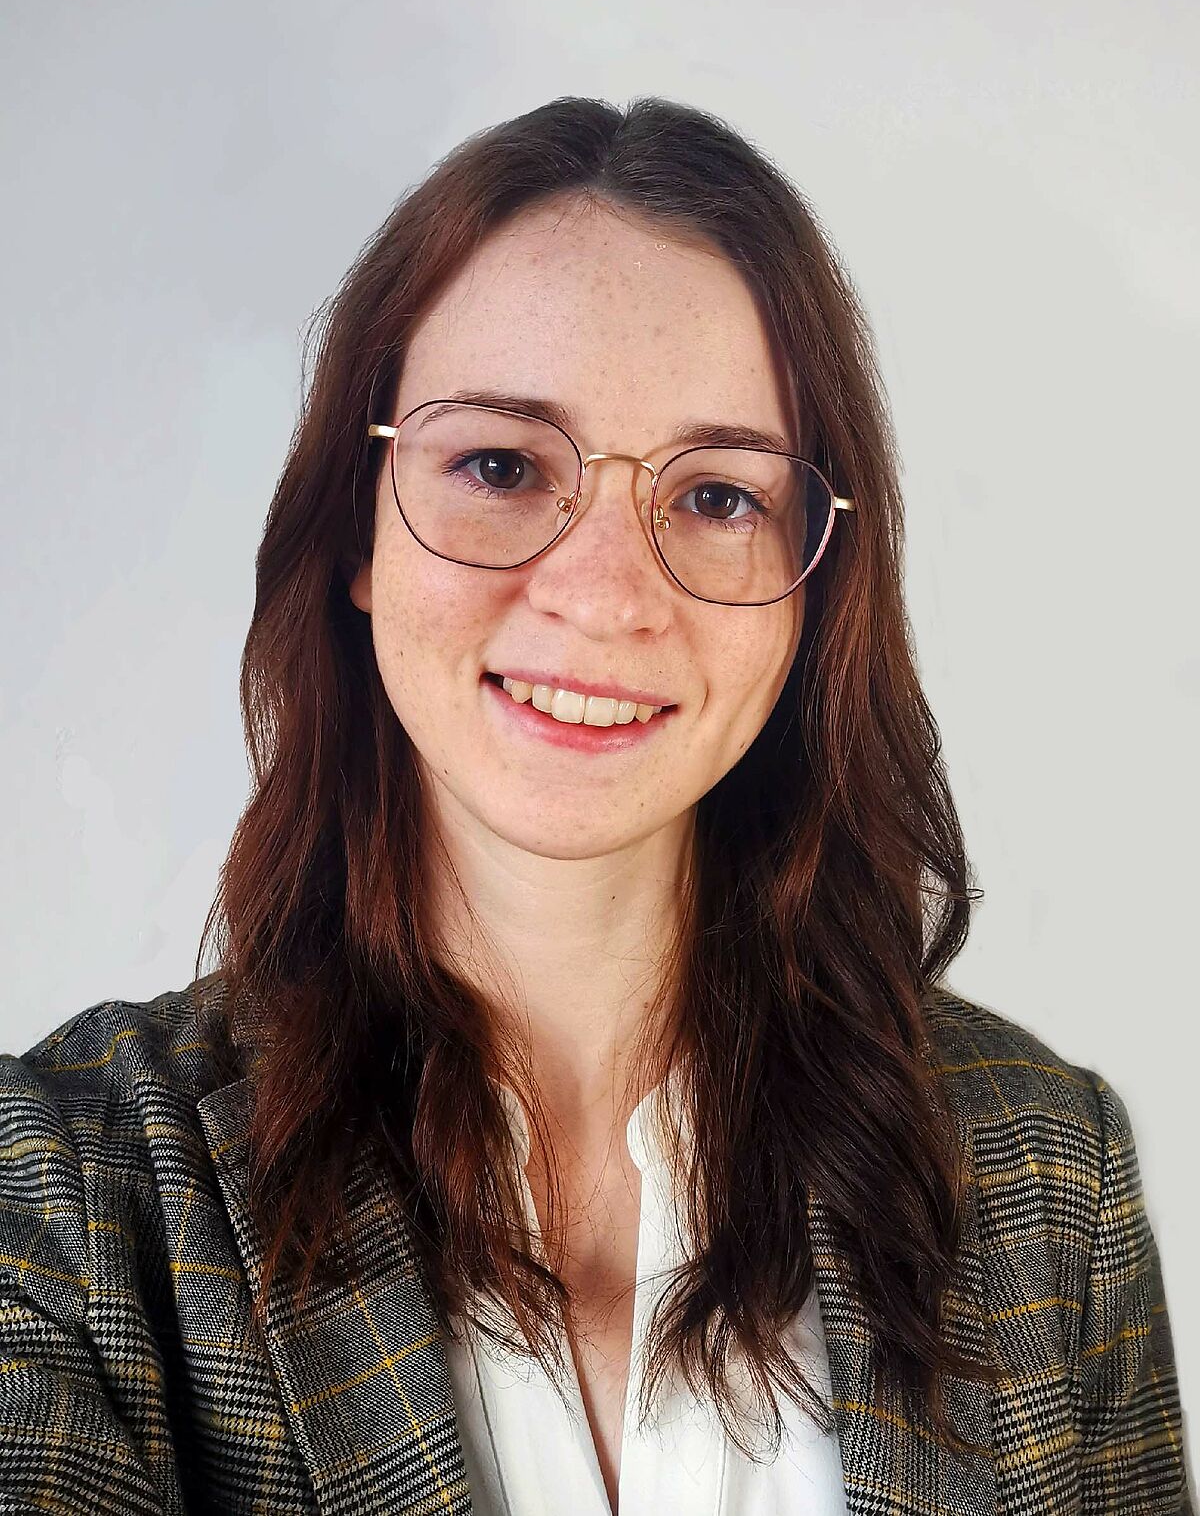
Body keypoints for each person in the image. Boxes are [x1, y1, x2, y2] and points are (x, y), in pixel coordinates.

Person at [0, 95, 1192, 1516]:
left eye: (718, 497)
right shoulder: (67, 1194)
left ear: (813, 594)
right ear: (356, 528)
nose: (608, 594)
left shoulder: (1052, 1171)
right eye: (501, 467)